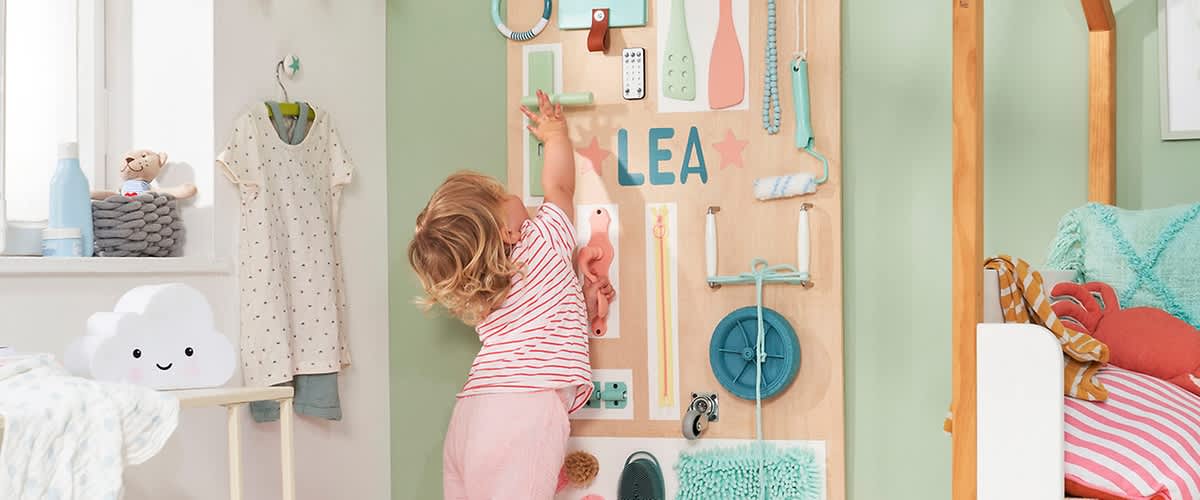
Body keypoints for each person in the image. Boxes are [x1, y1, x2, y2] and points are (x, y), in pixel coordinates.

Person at [408, 90, 613, 499]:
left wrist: (580, 296)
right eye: (503, 195)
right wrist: (555, 135)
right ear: (507, 231)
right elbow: (559, 186)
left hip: (472, 413)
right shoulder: (542, 237)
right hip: (523, 409)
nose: (516, 197)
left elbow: (539, 314)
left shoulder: (482, 292)